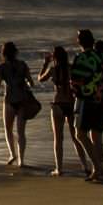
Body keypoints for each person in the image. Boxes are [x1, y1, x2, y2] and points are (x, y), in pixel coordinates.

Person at [0, 41, 38, 167]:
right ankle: (21, 161)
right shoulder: (23, 65)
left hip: (9, 101)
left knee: (8, 129)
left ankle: (12, 154)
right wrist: (27, 84)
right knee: (21, 132)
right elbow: (31, 82)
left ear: (3, 53)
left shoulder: (1, 67)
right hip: (22, 100)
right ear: (15, 52)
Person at [68, 29, 103, 181]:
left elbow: (74, 81)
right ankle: (100, 168)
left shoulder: (80, 57)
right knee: (96, 135)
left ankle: (97, 167)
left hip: (86, 100)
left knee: (80, 134)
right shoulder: (101, 56)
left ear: (80, 41)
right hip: (101, 99)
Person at [38, 45, 81, 175]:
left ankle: (59, 168)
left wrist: (45, 64)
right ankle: (85, 165)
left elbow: (40, 79)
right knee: (76, 137)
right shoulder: (72, 68)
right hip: (71, 104)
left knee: (58, 139)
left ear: (54, 57)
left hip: (58, 104)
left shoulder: (53, 69)